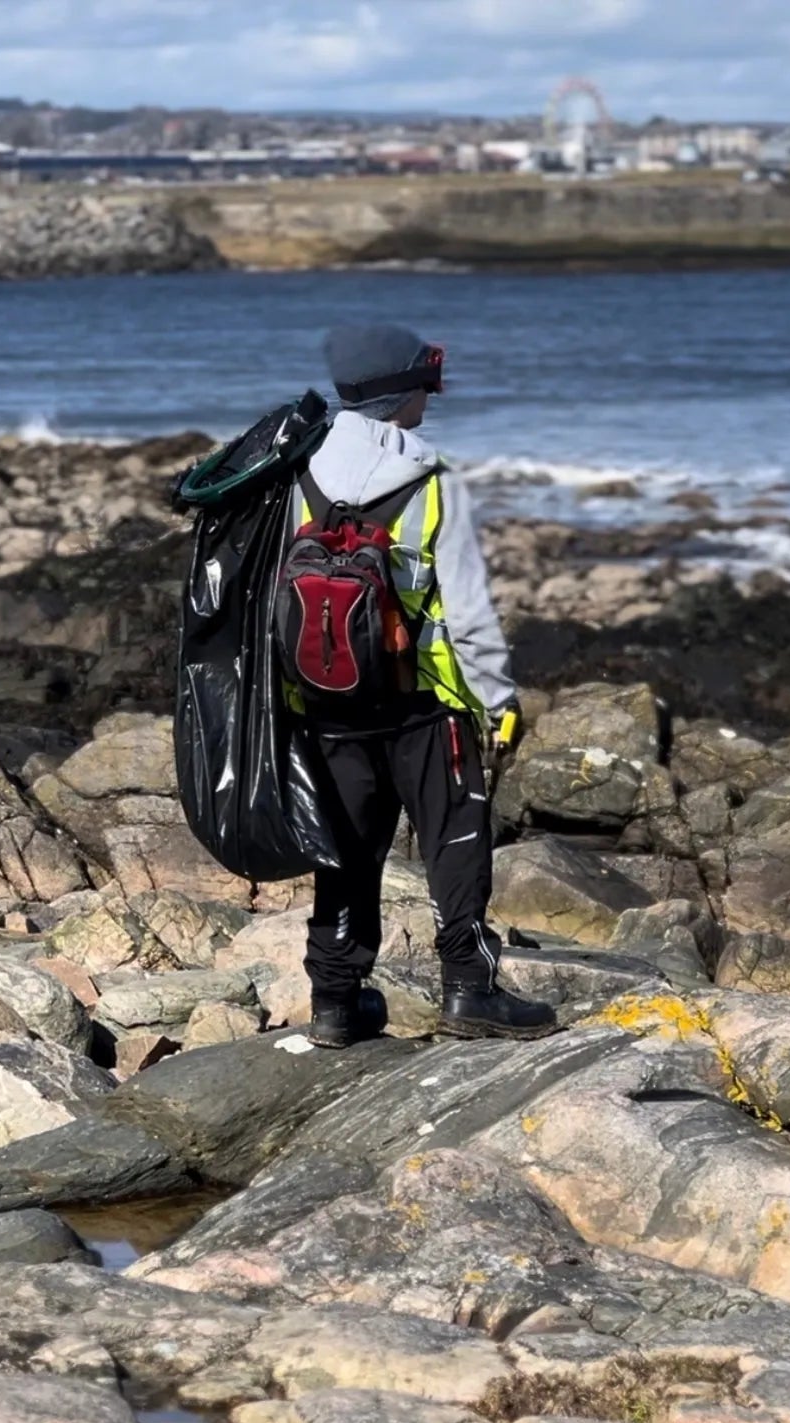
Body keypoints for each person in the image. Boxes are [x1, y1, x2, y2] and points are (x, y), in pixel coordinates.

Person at [298, 323, 559, 1049]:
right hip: (423, 704)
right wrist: (500, 702)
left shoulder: (298, 472)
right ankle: (470, 991)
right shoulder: (433, 482)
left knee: (344, 849)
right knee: (455, 839)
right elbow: (470, 615)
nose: (430, 397)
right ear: (402, 394)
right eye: (425, 384)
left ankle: (334, 1001)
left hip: (324, 702)